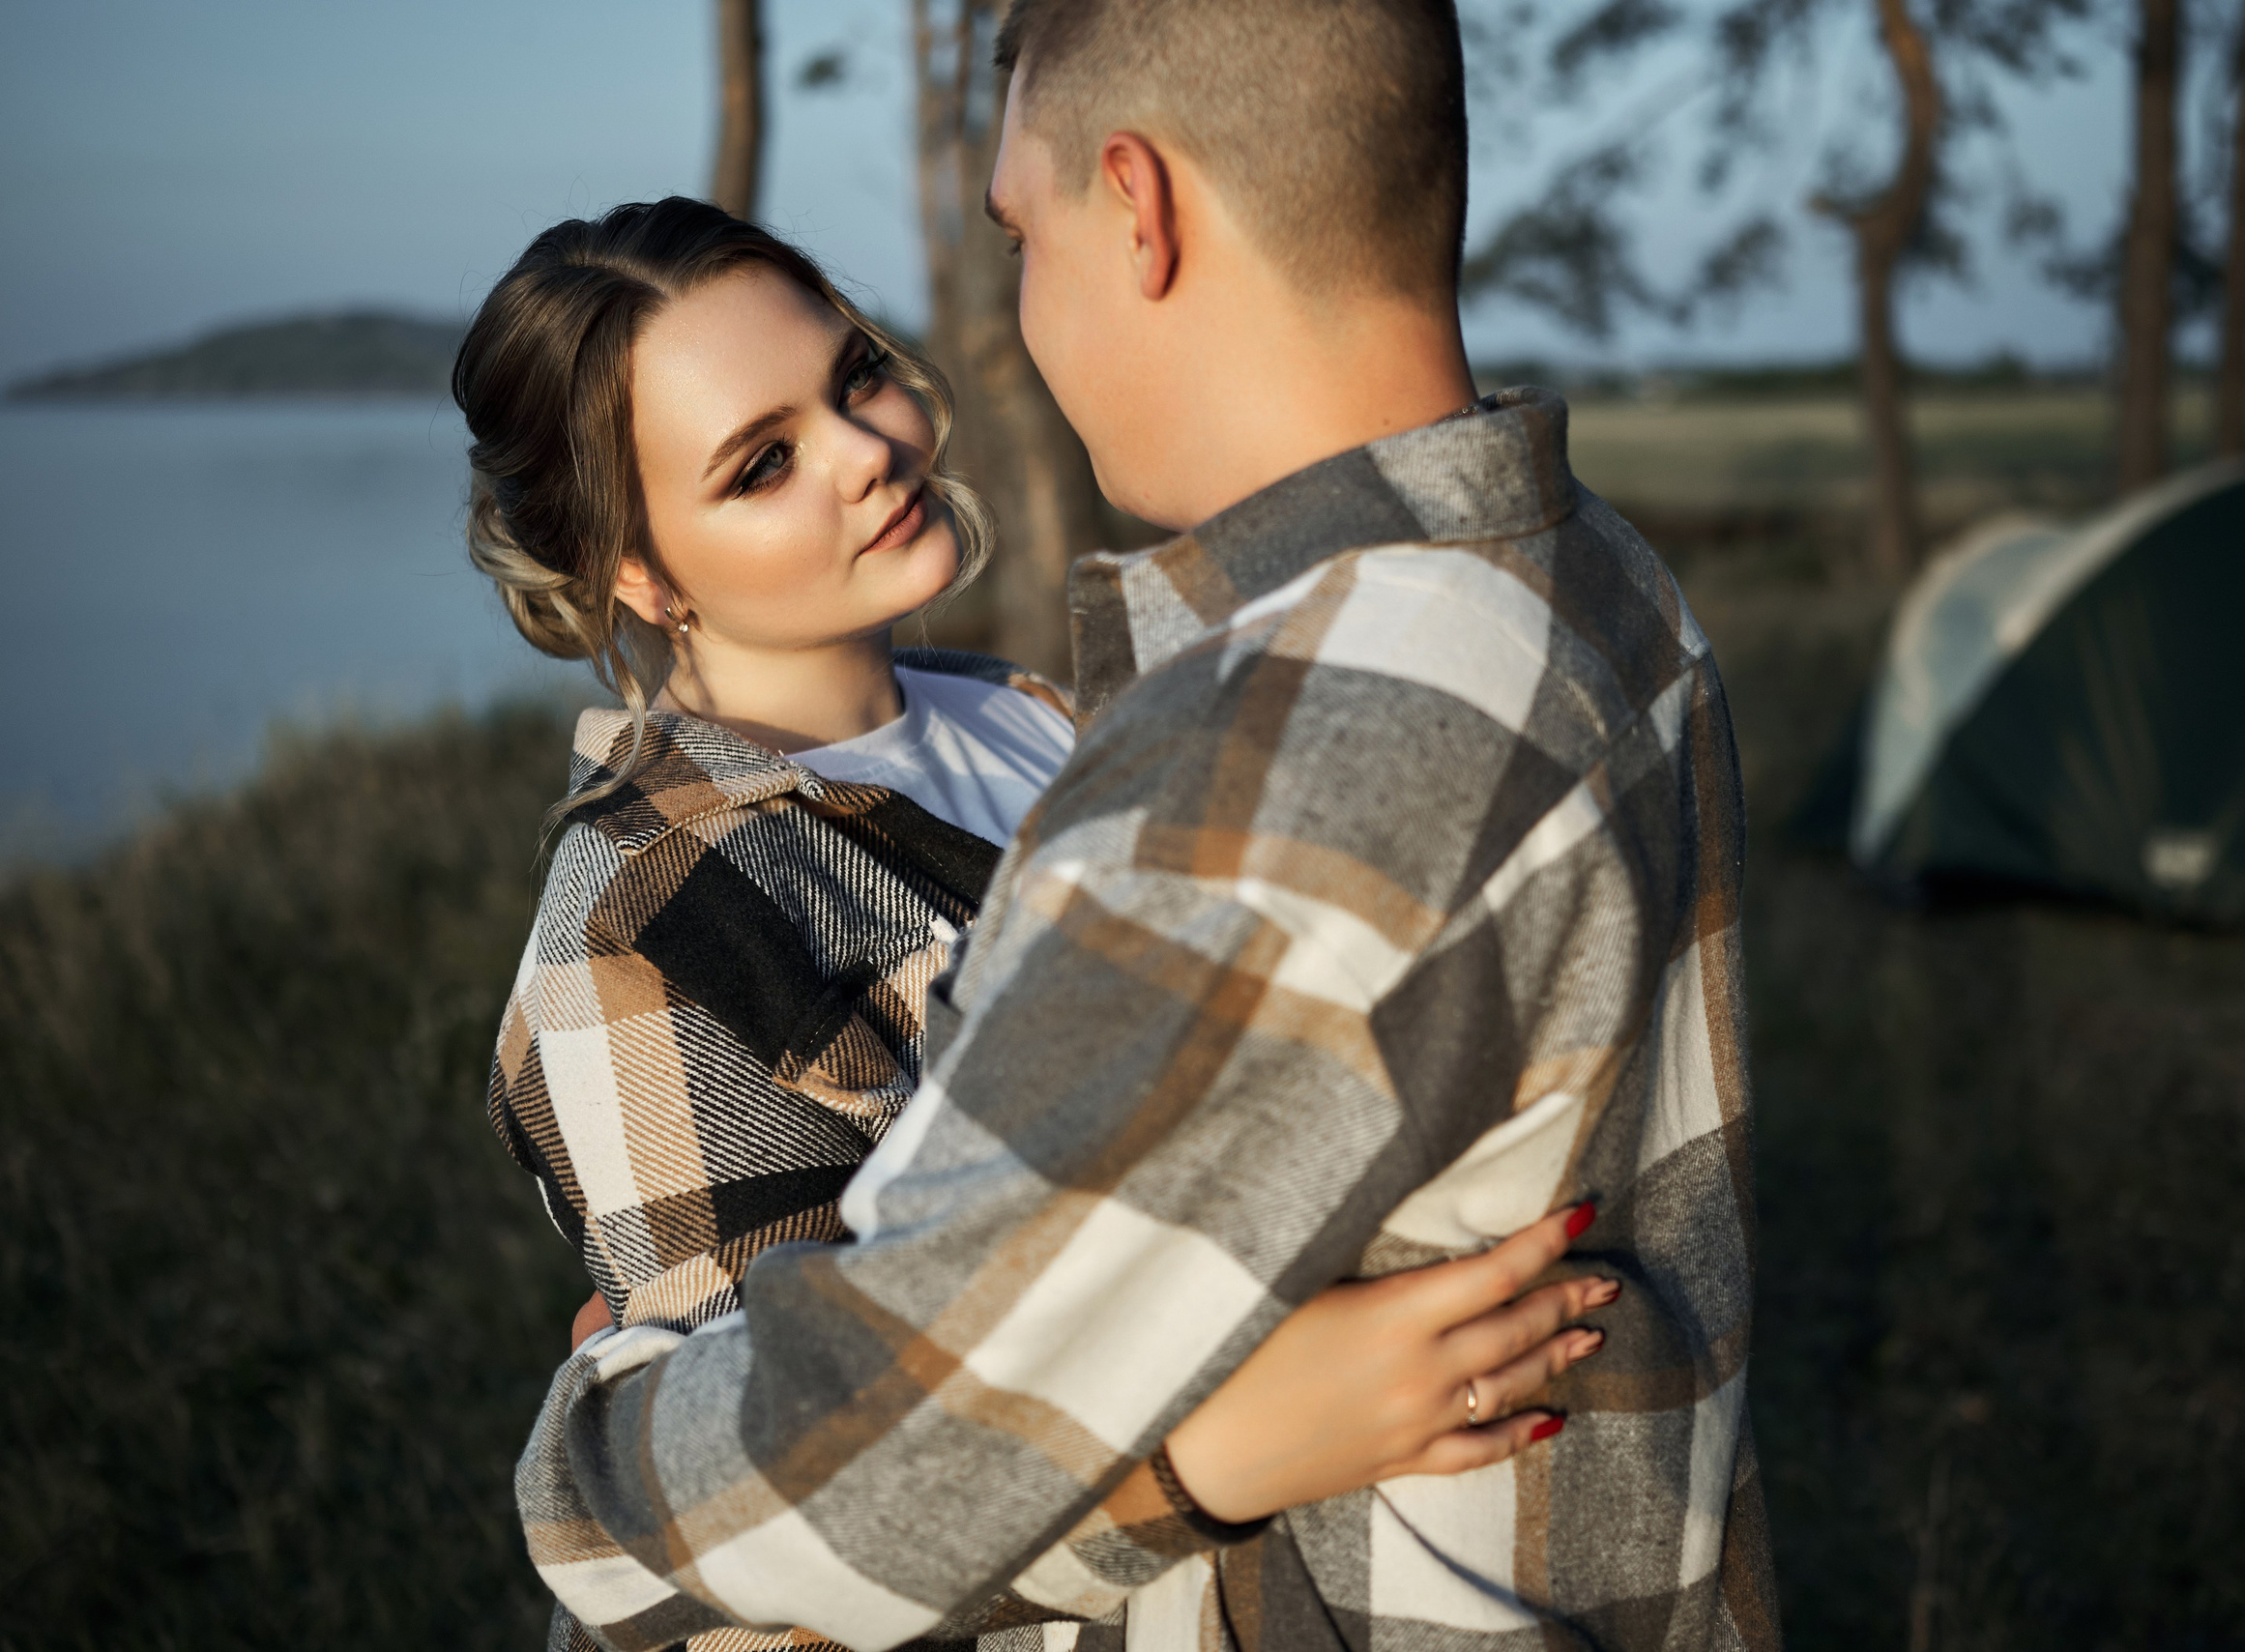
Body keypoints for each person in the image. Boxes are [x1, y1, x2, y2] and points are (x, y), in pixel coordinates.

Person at [515, 0, 1776, 1643]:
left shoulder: (1200, 753)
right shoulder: (1604, 587)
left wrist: (586, 1454)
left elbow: (811, 1489)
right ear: (640, 571)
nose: (873, 445)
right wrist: (1212, 1448)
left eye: (1018, 236)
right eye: (759, 462)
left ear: (1140, 206)